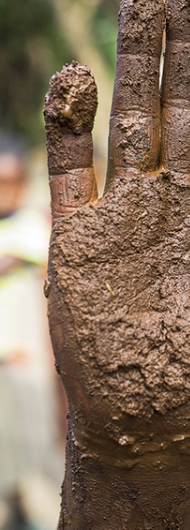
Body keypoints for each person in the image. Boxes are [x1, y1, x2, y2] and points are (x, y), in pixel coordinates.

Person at [0, 130, 61, 527]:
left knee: (38, 469)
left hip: (31, 369)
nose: (6, 192)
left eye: (12, 182)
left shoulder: (37, 228)